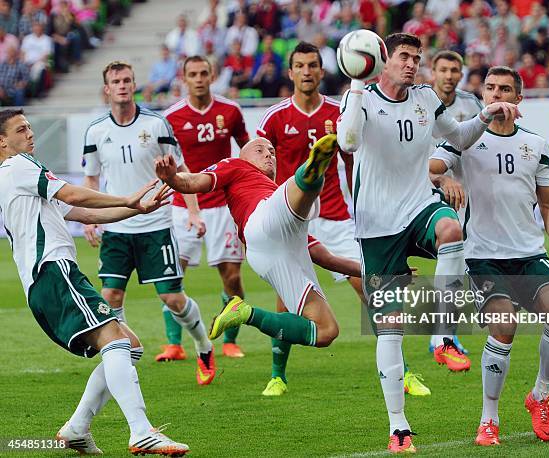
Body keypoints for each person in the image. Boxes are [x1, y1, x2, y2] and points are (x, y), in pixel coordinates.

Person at [336, 32, 520, 453]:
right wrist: (356, 85)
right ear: (381, 60)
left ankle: (442, 332)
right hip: (377, 226)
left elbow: (456, 136)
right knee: (392, 329)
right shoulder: (358, 98)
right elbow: (348, 142)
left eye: (416, 58)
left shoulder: (424, 97)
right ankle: (398, 427)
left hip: (419, 205)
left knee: (452, 229)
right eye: (404, 56)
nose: (412, 64)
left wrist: (488, 115)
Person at [0, 108, 189, 456]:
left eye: (29, 127)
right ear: (2, 142)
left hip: (48, 279)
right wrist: (128, 198)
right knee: (115, 338)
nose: (30, 133)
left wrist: (138, 208)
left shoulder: (22, 177)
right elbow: (74, 195)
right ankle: (141, 431)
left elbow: (85, 213)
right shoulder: (18, 167)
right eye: (21, 129)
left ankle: (76, 428)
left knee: (128, 344)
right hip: (53, 271)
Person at [429, 66, 549, 446]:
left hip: (529, 254)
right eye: (490, 88)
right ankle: (489, 419)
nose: (496, 94)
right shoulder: (465, 138)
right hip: (483, 257)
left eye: (505, 89)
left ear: (518, 99)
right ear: (482, 96)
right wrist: (445, 178)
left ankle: (540, 397)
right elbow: (429, 169)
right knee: (504, 324)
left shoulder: (536, 144)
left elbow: (548, 203)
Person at [155, 136, 342, 378]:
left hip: (275, 252)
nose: (268, 154)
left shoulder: (278, 199)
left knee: (327, 331)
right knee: (303, 196)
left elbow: (326, 258)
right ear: (243, 157)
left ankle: (245, 313)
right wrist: (172, 178)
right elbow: (194, 181)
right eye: (260, 150)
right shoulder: (236, 165)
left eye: (272, 151)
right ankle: (315, 169)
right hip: (261, 222)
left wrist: (375, 271)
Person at [255, 41, 381, 396]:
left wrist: (365, 207)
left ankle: (400, 370)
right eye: (300, 65)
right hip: (291, 222)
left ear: (321, 71)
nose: (307, 71)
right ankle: (278, 375)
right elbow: (260, 168)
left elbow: (354, 163)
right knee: (286, 299)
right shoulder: (275, 118)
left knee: (367, 287)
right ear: (291, 72)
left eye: (313, 65)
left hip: (337, 217)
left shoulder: (339, 113)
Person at [82, 61, 217, 386]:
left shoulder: (157, 125)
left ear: (134, 84)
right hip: (116, 227)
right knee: (111, 296)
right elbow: (91, 178)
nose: (123, 85)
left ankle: (203, 345)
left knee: (172, 298)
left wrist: (194, 212)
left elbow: (180, 171)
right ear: (107, 89)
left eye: (127, 79)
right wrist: (89, 218)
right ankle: (124, 359)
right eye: (116, 81)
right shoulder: (96, 131)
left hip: (156, 225)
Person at [161, 55, 250, 361]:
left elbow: (248, 150)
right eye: (192, 74)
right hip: (182, 206)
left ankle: (230, 341)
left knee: (232, 276)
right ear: (184, 78)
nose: (198, 79)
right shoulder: (170, 118)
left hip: (223, 204)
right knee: (172, 275)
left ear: (212, 76)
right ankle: (173, 344)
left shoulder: (231, 111)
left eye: (203, 73)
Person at [428, 50, 484, 354]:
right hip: (421, 186)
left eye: (455, 70)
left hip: (459, 192)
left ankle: (443, 333)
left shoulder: (470, 104)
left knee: (455, 261)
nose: (449, 75)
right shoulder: (420, 101)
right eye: (444, 69)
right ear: (433, 72)